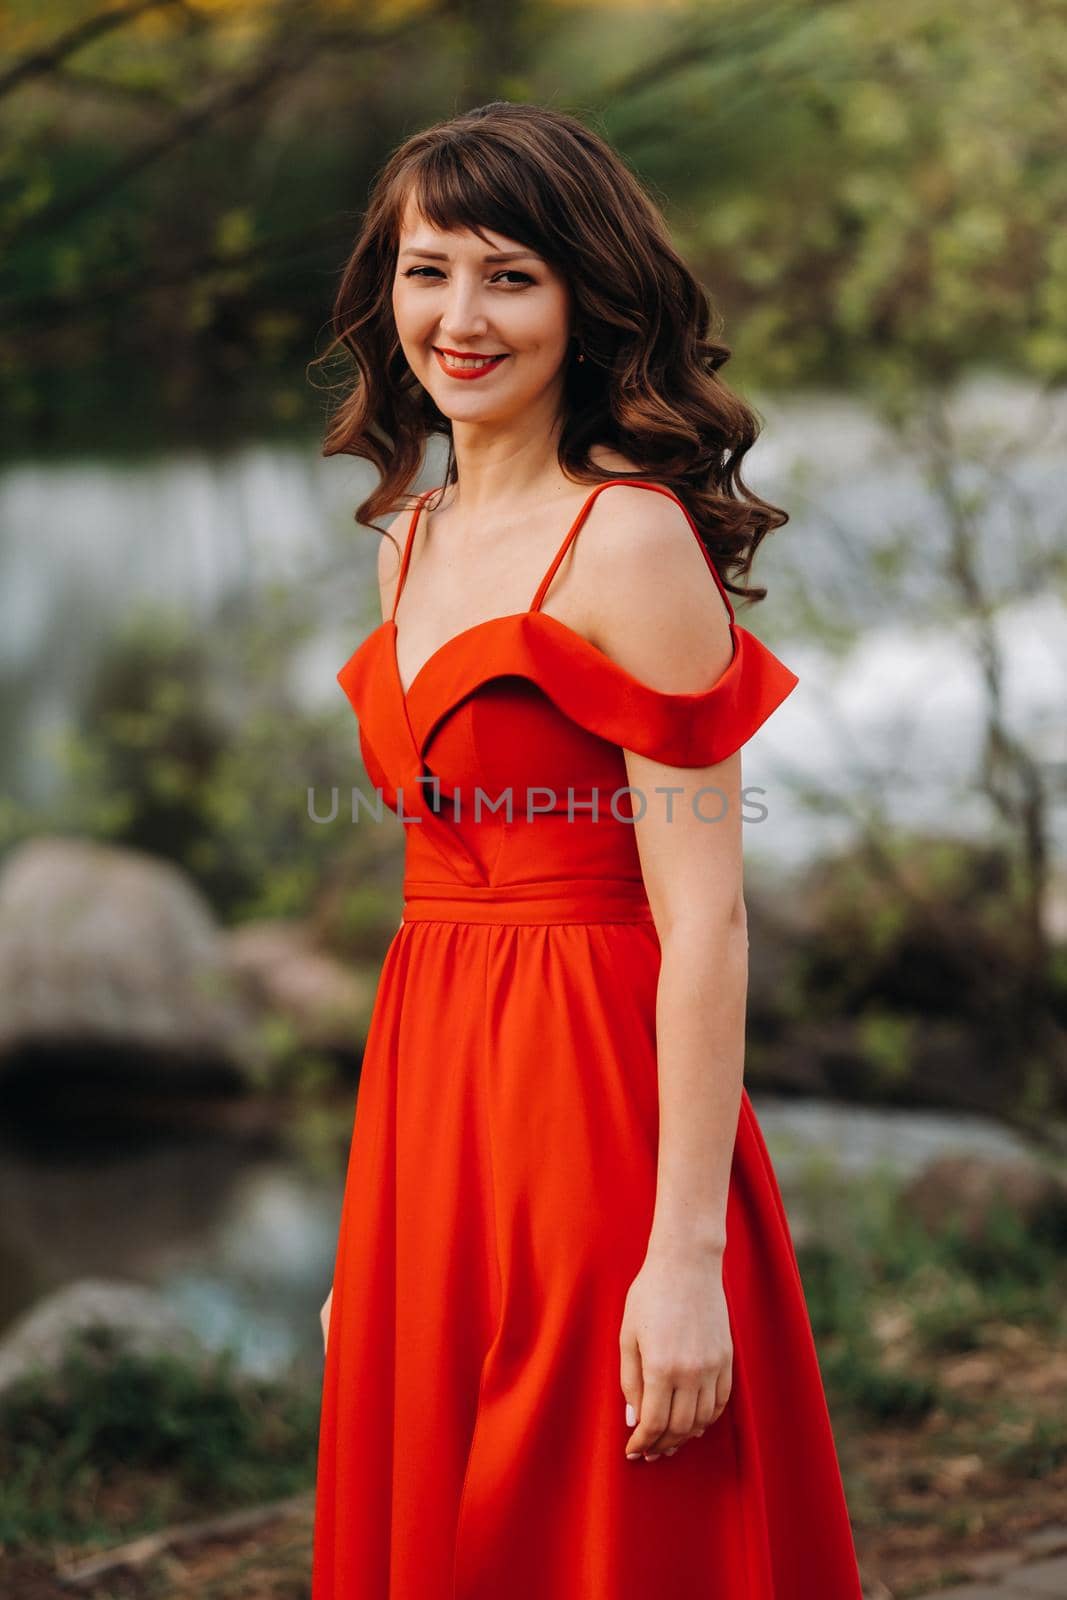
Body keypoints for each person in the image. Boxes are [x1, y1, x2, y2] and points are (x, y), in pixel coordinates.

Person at [310, 101, 864, 1600]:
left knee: (598, 1540)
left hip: (594, 1102)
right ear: (387, 291)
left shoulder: (626, 540)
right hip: (434, 1086)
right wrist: (372, 1240)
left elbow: (708, 925)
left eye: (510, 276)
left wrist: (682, 1258)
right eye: (430, 272)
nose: (460, 318)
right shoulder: (403, 543)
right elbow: (444, 879)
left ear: (585, 299)